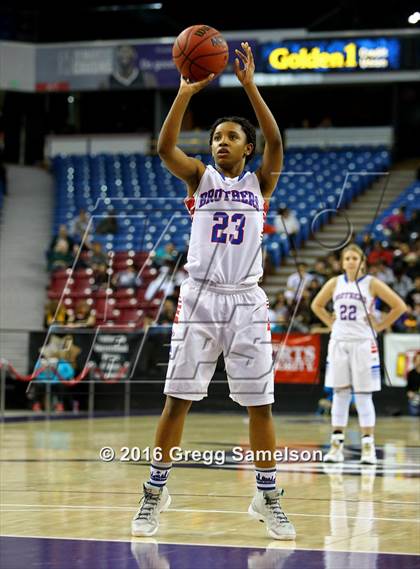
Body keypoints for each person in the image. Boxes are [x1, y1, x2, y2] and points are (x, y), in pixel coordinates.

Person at [131, 42, 296, 541]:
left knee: (260, 404)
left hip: (246, 299)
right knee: (176, 400)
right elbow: (165, 149)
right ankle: (155, 492)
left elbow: (276, 142)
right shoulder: (199, 178)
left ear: (246, 148)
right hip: (200, 297)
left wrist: (250, 86)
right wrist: (184, 94)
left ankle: (267, 496)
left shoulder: (260, 183)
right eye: (216, 137)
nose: (221, 142)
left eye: (231, 137)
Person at [311, 244, 407, 464]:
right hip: (339, 343)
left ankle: (368, 447)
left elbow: (399, 306)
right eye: (347, 258)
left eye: (355, 258)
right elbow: (316, 304)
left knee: (363, 396)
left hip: (363, 343)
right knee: (340, 394)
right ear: (342, 262)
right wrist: (330, 322)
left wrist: (379, 327)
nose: (351, 262)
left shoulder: (371, 284)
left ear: (362, 262)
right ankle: (336, 447)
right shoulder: (335, 282)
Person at [406, 352, 420, 416]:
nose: (419, 362)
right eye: (417, 360)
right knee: (414, 413)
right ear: (414, 362)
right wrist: (409, 392)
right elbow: (408, 387)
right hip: (415, 398)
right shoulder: (411, 373)